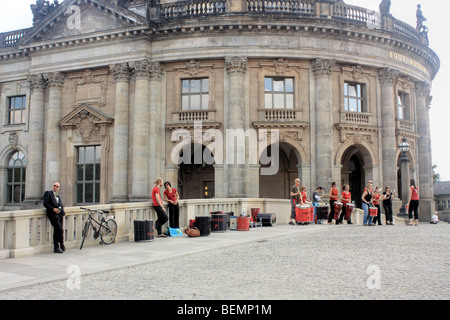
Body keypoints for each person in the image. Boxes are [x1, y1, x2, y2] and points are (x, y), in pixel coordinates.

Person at [43, 182, 65, 253]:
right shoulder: (48, 193)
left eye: (57, 186)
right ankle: (61, 243)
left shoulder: (58, 196)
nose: (55, 187)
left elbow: (60, 205)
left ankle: (56, 247)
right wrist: (53, 209)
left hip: (59, 215)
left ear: (58, 188)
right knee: (59, 229)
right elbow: (45, 203)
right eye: (54, 186)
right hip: (52, 215)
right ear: (52, 186)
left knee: (57, 230)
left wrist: (61, 211)